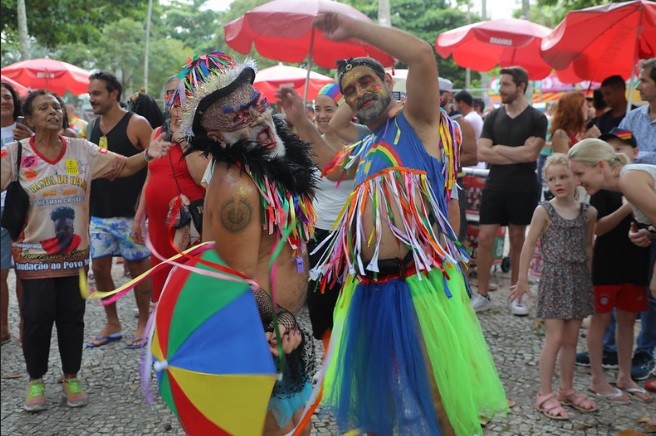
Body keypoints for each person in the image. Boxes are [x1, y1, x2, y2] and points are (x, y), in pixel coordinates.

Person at [278, 12, 508, 435]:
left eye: (368, 82)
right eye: (350, 91)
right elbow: (330, 163)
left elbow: (422, 55)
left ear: (387, 81)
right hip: (370, 290)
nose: (360, 92)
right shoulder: (368, 146)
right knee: (380, 398)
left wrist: (356, 32)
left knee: (437, 396)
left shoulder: (420, 124)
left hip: (415, 285)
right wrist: (300, 121)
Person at [0, 89, 170, 412]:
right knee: (35, 319)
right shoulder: (15, 154)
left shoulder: (82, 149)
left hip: (75, 257)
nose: (53, 111)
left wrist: (149, 154)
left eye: (56, 106)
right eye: (43, 108)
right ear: (31, 119)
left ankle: (71, 376)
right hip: (33, 258)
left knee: (72, 319)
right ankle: (35, 380)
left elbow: (124, 167)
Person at [178, 50, 317, 435]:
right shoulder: (238, 187)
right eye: (238, 114)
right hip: (259, 334)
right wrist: (280, 318)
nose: (256, 115)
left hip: (274, 331)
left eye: (256, 103)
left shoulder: (262, 166)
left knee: (295, 427)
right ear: (216, 134)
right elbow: (230, 278)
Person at [510, 153, 598, 420]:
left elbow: (587, 247)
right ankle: (544, 394)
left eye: (564, 176)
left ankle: (566, 389)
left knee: (572, 339)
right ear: (545, 182)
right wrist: (522, 279)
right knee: (555, 338)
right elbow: (528, 244)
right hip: (554, 278)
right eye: (552, 179)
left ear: (575, 178)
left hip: (578, 279)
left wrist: (590, 281)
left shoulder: (588, 212)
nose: (558, 182)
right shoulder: (544, 211)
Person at [568, 138, 656, 382]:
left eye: (579, 173)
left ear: (602, 167)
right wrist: (648, 233)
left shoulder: (629, 178)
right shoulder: (626, 183)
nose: (577, 181)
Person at [86, 72, 154, 349]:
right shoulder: (91, 126)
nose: (92, 99)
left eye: (97, 93)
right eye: (90, 94)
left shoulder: (137, 124)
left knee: (138, 267)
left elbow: (156, 164)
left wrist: (143, 201)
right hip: (99, 213)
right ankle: (112, 323)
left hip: (130, 213)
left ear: (114, 93)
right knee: (100, 267)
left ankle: (143, 323)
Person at [473, 66, 548, 316]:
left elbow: (531, 154)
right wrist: (515, 152)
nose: (500, 89)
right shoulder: (493, 117)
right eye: (500, 84)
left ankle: (516, 296)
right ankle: (482, 294)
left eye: (505, 84)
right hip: (495, 184)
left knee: (518, 240)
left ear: (521, 86)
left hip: (523, 186)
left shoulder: (537, 118)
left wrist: (499, 149)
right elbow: (482, 152)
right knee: (485, 238)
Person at [132, 77, 209, 302]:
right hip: (158, 225)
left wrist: (184, 140)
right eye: (169, 93)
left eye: (181, 94)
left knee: (187, 288)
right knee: (163, 285)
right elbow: (150, 175)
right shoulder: (157, 132)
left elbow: (205, 179)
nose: (175, 101)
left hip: (189, 225)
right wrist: (139, 218)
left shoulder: (201, 135)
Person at [306, 83, 366, 353]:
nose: (320, 115)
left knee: (348, 299)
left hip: (352, 234)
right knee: (319, 302)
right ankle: (328, 361)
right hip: (317, 233)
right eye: (316, 109)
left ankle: (349, 358)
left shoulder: (360, 143)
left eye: (328, 109)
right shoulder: (308, 144)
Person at [1, 81, 27, 346]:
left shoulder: (25, 130)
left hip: (21, 206)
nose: (3, 101)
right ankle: (2, 327)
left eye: (7, 97)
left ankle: (24, 324)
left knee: (24, 270)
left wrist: (28, 138)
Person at [619, 58, 656, 165]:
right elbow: (618, 147)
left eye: (644, 81)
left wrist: (634, 155)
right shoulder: (632, 117)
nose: (638, 87)